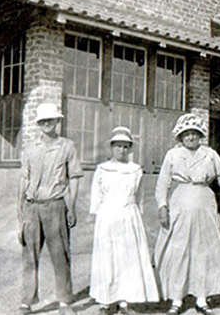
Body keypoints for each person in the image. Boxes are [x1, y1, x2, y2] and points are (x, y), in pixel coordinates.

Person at [154, 113, 220, 315]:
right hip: (180, 204)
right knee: (178, 251)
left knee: (203, 252)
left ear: (200, 135)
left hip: (204, 204)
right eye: (186, 134)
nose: (190, 137)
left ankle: (201, 298)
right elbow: (163, 184)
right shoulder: (173, 155)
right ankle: (176, 299)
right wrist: (162, 207)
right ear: (180, 137)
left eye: (194, 133)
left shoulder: (209, 154)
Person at [16, 102, 84, 315]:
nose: (47, 123)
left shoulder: (67, 146)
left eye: (51, 120)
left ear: (57, 121)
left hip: (56, 206)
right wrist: (20, 207)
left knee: (60, 254)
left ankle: (64, 302)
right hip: (32, 207)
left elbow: (73, 179)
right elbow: (24, 178)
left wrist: (71, 207)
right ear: (38, 123)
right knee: (29, 255)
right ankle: (26, 302)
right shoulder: (30, 147)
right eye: (43, 120)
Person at [89, 127, 159, 315]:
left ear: (129, 148)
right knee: (108, 257)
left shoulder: (135, 170)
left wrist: (137, 214)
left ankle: (124, 301)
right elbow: (96, 197)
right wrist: (96, 216)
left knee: (128, 258)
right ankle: (106, 301)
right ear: (111, 148)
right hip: (108, 216)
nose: (121, 150)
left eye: (125, 146)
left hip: (129, 215)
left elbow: (140, 197)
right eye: (118, 146)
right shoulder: (102, 169)